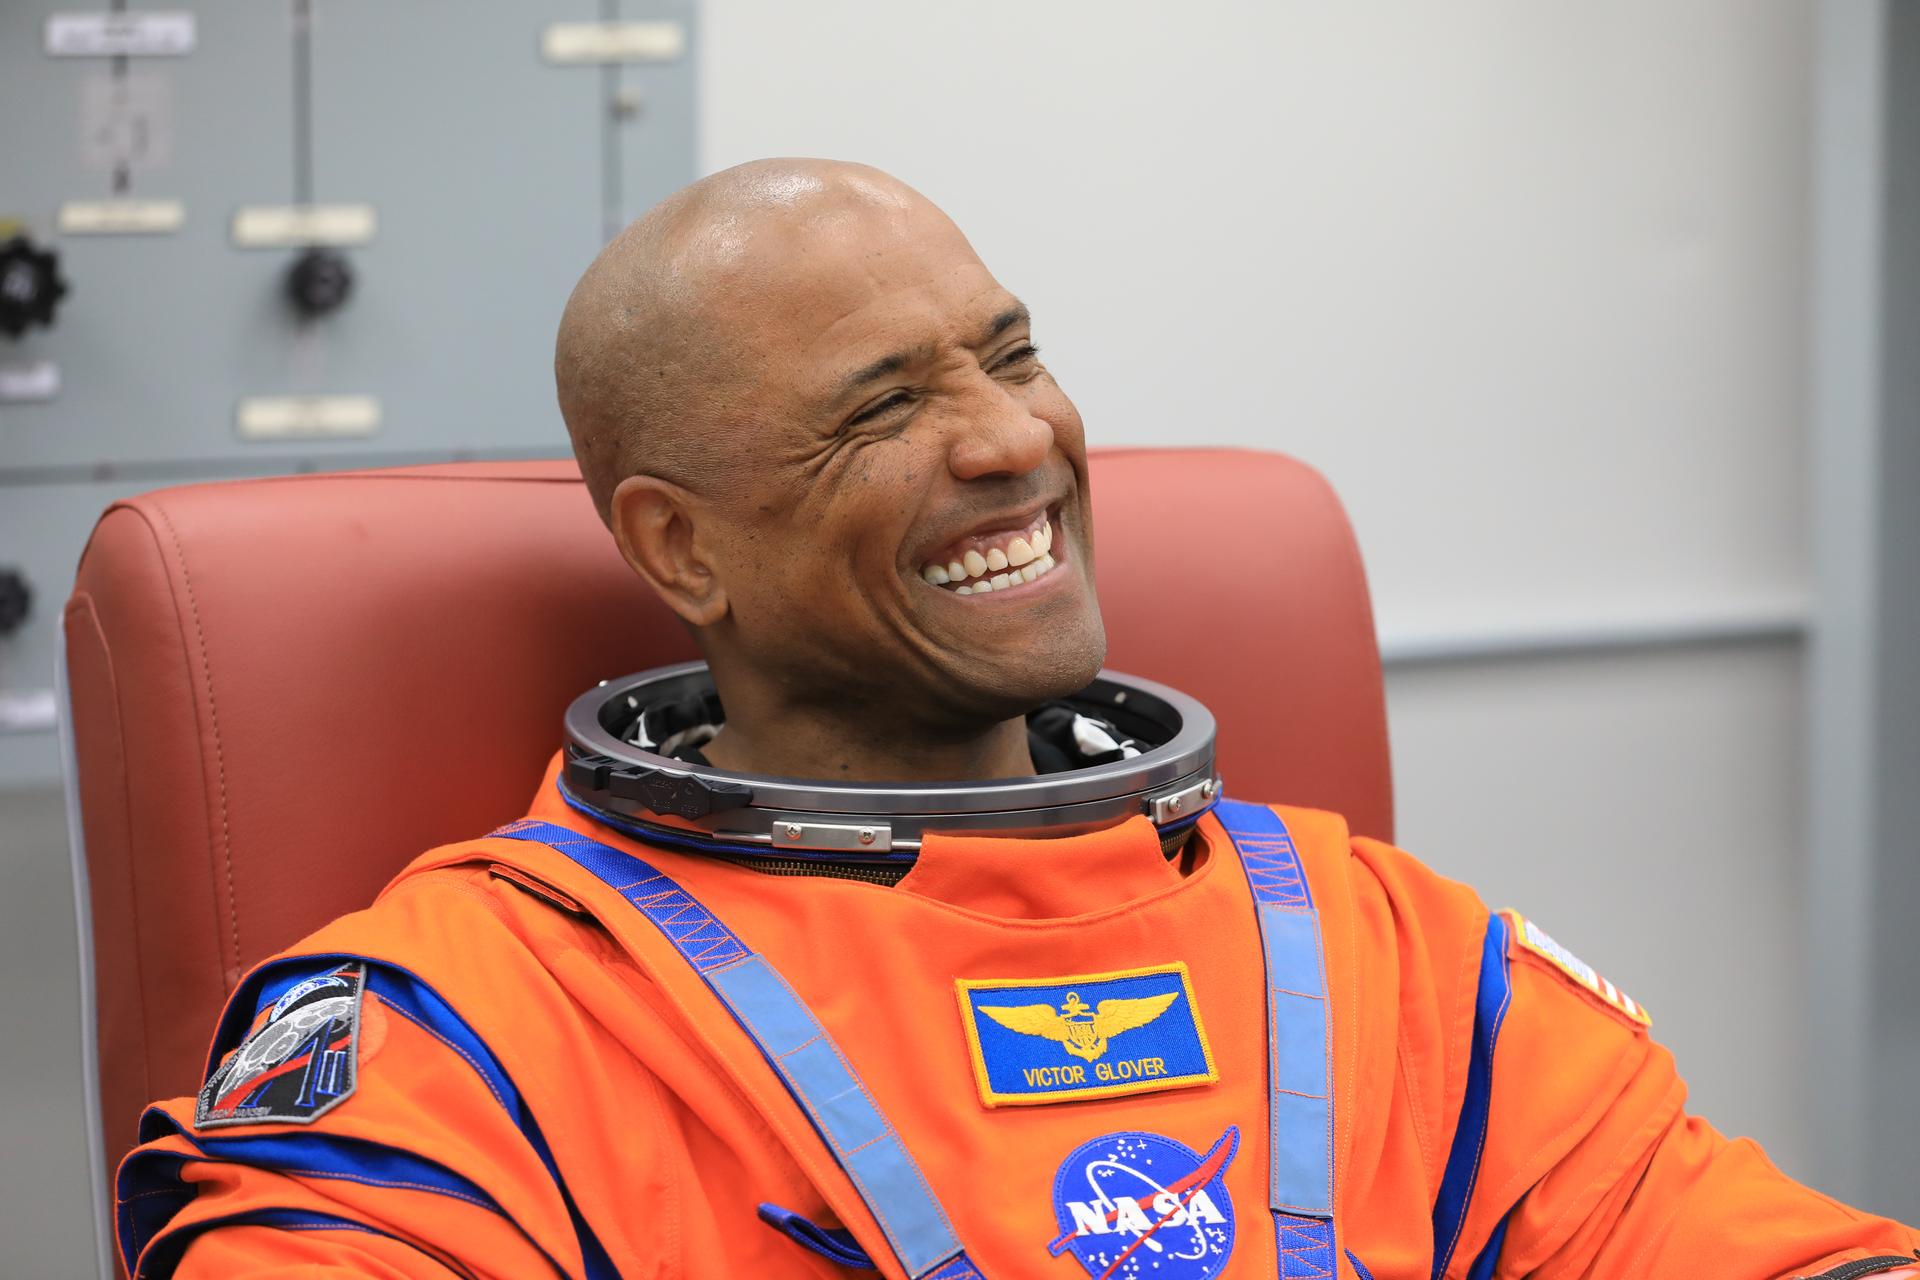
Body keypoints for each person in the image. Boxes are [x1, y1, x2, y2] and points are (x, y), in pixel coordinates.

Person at [115, 159, 1920, 1280]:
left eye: (1012, 353)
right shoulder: (475, 1024)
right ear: (680, 548)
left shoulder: (1384, 952)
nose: (1011, 440)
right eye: (882, 407)